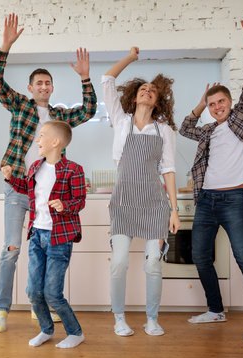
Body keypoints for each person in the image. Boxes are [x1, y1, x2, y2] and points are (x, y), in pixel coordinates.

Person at [0, 13, 97, 333]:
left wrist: (86, 78)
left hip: (48, 193)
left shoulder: (61, 116)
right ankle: (2, 311)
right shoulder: (20, 105)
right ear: (31, 87)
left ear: (52, 87)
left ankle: (42, 307)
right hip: (18, 187)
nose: (44, 86)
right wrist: (6, 45)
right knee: (12, 249)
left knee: (47, 248)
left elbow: (88, 110)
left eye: (48, 83)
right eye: (39, 83)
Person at [179, 6, 243, 343]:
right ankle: (215, 309)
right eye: (213, 104)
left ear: (230, 102)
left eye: (221, 101)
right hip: (207, 199)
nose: (217, 107)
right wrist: (199, 102)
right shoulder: (208, 130)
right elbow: (185, 127)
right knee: (200, 256)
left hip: (234, 198)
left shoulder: (242, 117)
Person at [102, 46, 181, 337]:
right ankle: (119, 318)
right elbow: (107, 79)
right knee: (119, 263)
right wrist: (131, 58)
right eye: (143, 88)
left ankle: (152, 319)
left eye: (152, 90)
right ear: (134, 96)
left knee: (152, 266)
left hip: (155, 205)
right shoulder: (121, 121)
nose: (147, 91)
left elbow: (169, 170)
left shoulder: (164, 131)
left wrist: (174, 209)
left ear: (158, 101)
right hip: (123, 204)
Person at [1, 121, 86, 349]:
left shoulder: (73, 170)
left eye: (41, 136)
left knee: (52, 292)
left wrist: (64, 205)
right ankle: (47, 329)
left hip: (60, 238)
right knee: (33, 291)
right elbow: (27, 188)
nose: (37, 140)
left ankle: (75, 333)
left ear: (55, 142)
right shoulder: (35, 167)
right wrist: (10, 178)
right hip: (37, 235)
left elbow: (79, 201)